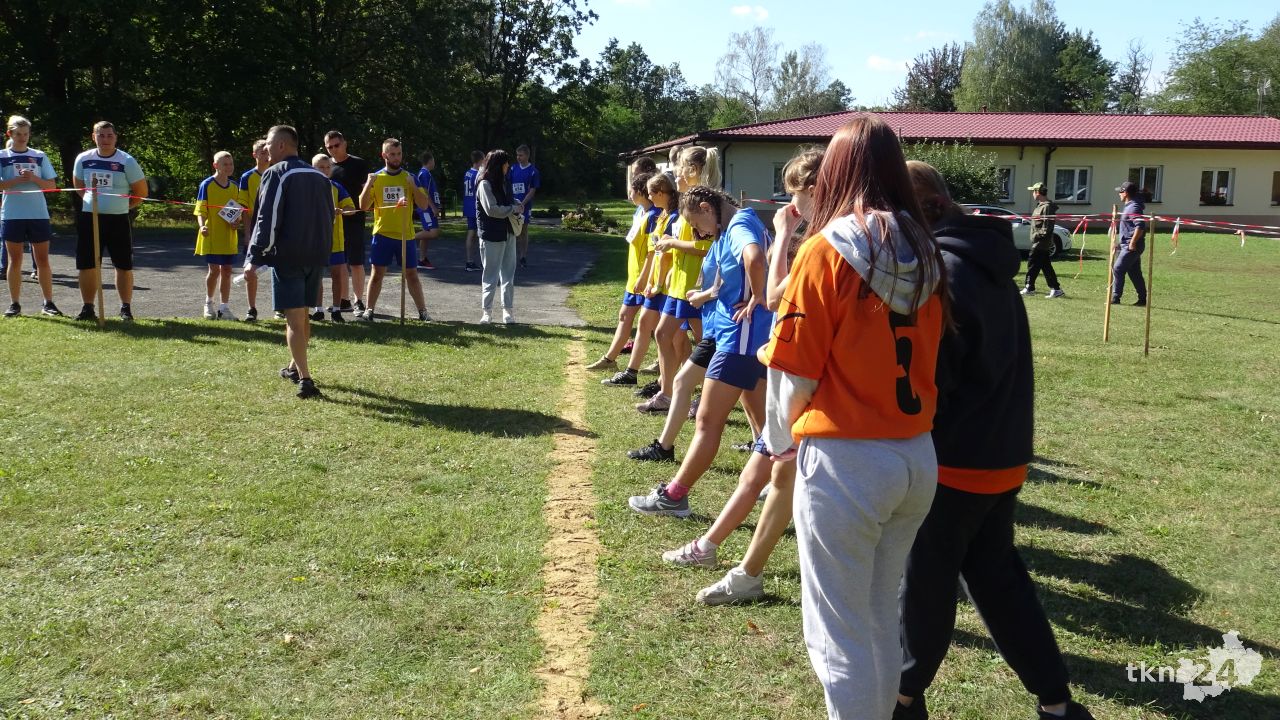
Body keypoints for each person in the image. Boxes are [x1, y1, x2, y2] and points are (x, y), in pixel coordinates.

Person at [758, 116, 947, 719]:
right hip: (914, 453)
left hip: (848, 459)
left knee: (837, 632)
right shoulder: (926, 248)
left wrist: (780, 442)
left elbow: (794, 371)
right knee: (877, 615)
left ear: (837, 171)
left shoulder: (826, 250)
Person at [897, 161, 1094, 720]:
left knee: (926, 585)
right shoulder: (987, 262)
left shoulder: (946, 273)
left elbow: (938, 379)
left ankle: (903, 698)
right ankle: (1057, 703)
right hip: (999, 454)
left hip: (956, 461)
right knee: (997, 579)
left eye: (899, 217)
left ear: (931, 210)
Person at [672, 149, 824, 606]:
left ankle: (683, 506)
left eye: (796, 195)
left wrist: (760, 296)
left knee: (719, 429)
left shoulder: (815, 241)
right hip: (777, 362)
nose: (791, 205)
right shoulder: (817, 238)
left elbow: (770, 284)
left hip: (779, 364)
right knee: (765, 463)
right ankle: (715, 551)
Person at [628, 185, 772, 517]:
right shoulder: (737, 222)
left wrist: (758, 297)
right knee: (763, 422)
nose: (698, 233)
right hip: (735, 335)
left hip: (740, 338)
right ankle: (782, 480)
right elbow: (736, 271)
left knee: (707, 420)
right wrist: (709, 295)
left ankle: (674, 496)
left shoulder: (739, 225)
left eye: (696, 224)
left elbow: (754, 258)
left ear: (707, 208)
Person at [624, 147, 725, 462]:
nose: (676, 173)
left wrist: (673, 243)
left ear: (695, 170)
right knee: (663, 334)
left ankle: (701, 398)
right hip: (678, 285)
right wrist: (665, 269)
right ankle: (667, 394)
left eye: (681, 168)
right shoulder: (684, 202)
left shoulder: (705, 203)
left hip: (696, 286)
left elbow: (707, 245)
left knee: (707, 345)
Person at [245, 125, 333, 399]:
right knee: (303, 315)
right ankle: (294, 367)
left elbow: (267, 218)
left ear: (282, 145)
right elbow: (329, 216)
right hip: (316, 254)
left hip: (289, 255)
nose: (265, 149)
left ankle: (305, 379)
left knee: (294, 319)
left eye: (269, 144)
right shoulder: (319, 176)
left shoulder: (275, 173)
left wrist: (254, 256)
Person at [71, 121, 147, 321]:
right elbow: (78, 185)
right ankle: (88, 307)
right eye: (101, 135)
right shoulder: (83, 159)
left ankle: (125, 308)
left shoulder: (126, 161)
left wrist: (122, 207)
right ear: (93, 137)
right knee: (87, 264)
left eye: (109, 135)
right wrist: (92, 202)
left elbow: (141, 192)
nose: (105, 139)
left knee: (123, 264)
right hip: (90, 217)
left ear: (116, 137)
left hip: (118, 220)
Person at [591, 170, 661, 380]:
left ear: (641, 191)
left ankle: (661, 363)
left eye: (631, 189)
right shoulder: (640, 212)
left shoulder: (655, 216)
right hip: (634, 278)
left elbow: (652, 252)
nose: (629, 193)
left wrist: (644, 277)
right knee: (625, 316)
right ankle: (610, 359)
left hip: (646, 278)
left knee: (654, 325)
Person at [357, 138, 432, 322]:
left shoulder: (410, 177)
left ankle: (423, 312)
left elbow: (423, 205)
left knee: (412, 275)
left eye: (399, 154)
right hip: (382, 234)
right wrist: (368, 184)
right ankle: (369, 310)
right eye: (392, 154)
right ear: (384, 155)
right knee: (376, 275)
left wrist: (413, 186)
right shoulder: (376, 178)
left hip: (405, 235)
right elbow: (363, 206)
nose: (397, 158)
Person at [635, 172, 693, 412]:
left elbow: (669, 254)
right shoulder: (664, 216)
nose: (648, 197)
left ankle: (687, 389)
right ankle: (667, 390)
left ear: (661, 193)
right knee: (665, 334)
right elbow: (658, 253)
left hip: (680, 285)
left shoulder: (679, 215)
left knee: (688, 340)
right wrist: (652, 279)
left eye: (651, 193)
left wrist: (657, 282)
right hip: (668, 283)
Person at [1, 115, 61, 317]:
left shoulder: (39, 155)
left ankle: (48, 303)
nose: (22, 137)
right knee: (15, 260)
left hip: (38, 214)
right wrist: (16, 180)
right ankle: (14, 304)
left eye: (25, 134)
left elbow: (51, 186)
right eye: (18, 134)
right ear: (10, 134)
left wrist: (34, 178)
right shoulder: (2, 155)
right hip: (12, 214)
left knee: (43, 259)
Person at [475, 149, 523, 324]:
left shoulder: (504, 181)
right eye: (506, 163)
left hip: (508, 232)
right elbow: (491, 209)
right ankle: (486, 312)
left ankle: (507, 311)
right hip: (491, 234)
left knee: (508, 274)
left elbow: (506, 201)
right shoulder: (484, 184)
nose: (508, 166)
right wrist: (513, 209)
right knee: (490, 275)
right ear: (499, 165)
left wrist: (516, 203)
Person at [325, 130, 371, 313]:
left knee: (356, 262)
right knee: (339, 263)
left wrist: (368, 207)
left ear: (344, 143)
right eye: (329, 147)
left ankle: (359, 300)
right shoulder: (327, 167)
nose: (333, 149)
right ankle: (343, 301)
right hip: (334, 224)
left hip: (355, 220)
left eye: (336, 145)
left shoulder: (358, 164)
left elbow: (366, 190)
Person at [194, 151, 242, 320]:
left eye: (231, 164)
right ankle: (208, 304)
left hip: (228, 236)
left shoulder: (234, 186)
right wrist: (202, 226)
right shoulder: (206, 185)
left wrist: (236, 222)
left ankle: (224, 308)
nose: (229, 167)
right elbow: (200, 210)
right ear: (215, 165)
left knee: (227, 271)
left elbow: (236, 210)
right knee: (214, 271)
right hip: (212, 235)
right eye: (225, 164)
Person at [311, 153, 356, 322]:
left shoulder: (336, 187)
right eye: (321, 167)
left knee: (337, 275)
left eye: (327, 167)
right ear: (313, 168)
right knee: (317, 276)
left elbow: (351, 209)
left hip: (335, 241)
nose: (325, 170)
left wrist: (342, 211)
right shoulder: (307, 187)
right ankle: (318, 309)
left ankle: (337, 309)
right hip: (315, 241)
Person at [236, 138, 270, 321]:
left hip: (275, 229)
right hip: (256, 229)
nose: (266, 155)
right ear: (254, 155)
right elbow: (244, 209)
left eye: (268, 152)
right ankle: (252, 308)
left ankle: (280, 307)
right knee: (250, 269)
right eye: (262, 152)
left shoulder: (277, 172)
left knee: (278, 269)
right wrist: (248, 233)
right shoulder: (247, 177)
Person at [1023, 181, 1063, 299]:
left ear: (1038, 192)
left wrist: (1037, 235)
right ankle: (1056, 289)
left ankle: (1029, 287)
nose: (1032, 194)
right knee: (1046, 267)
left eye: (1033, 192)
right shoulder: (1040, 206)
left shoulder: (1046, 207)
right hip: (1039, 242)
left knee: (1032, 263)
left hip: (1041, 242)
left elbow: (1047, 227)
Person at [1111, 180, 1147, 306]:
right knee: (1134, 272)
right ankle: (1142, 299)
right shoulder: (1130, 205)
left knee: (1118, 268)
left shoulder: (1134, 207)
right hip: (1126, 244)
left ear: (1125, 193)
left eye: (1120, 192)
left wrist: (1132, 242)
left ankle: (1116, 297)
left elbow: (1140, 226)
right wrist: (1119, 244)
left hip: (1132, 246)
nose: (1119, 194)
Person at [508, 144, 540, 268]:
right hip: (512, 204)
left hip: (525, 205)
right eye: (517, 155)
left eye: (520, 155)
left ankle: (523, 257)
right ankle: (511, 257)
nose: (518, 157)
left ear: (527, 155)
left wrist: (523, 203)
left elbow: (532, 190)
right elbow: (508, 185)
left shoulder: (533, 171)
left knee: (523, 230)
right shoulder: (513, 168)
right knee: (511, 230)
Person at [414, 150, 441, 270]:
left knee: (426, 233)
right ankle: (407, 238)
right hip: (426, 208)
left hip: (427, 208)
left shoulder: (426, 174)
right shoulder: (424, 174)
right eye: (433, 160)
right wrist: (433, 207)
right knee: (433, 232)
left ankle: (422, 260)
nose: (434, 162)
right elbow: (424, 191)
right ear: (430, 161)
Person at [463, 150, 484, 272]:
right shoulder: (478, 174)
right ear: (480, 160)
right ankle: (472, 261)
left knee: (472, 232)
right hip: (475, 206)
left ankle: (470, 260)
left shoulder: (467, 173)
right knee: (477, 234)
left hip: (468, 205)